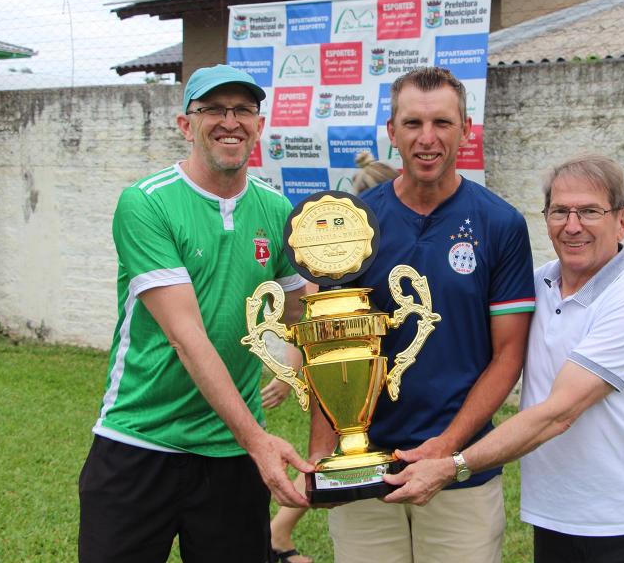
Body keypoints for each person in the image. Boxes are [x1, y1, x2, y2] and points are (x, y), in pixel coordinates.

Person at [385, 154, 624, 563]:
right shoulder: (539, 284)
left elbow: (557, 414)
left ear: (623, 222)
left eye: (590, 211)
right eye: (560, 211)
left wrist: (453, 464)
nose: (572, 225)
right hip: (556, 520)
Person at [78, 64, 313, 563]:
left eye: (243, 110)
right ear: (187, 125)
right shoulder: (146, 203)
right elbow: (187, 337)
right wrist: (258, 441)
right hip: (141, 440)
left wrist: (297, 353)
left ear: (259, 124)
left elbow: (300, 310)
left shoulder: (276, 210)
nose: (231, 121)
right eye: (214, 110)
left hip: (231, 454)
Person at [309, 66, 536, 563]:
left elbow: (508, 354)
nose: (427, 139)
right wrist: (320, 452)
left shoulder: (501, 224)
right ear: (392, 132)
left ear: (465, 130)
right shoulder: (353, 225)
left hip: (459, 471)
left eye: (442, 123)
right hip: (364, 468)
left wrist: (447, 447)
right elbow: (327, 346)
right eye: (412, 124)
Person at [262, 151, 398, 563]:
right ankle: (276, 535)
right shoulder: (335, 258)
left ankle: (277, 534)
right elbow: (312, 321)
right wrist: (292, 372)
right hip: (346, 377)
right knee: (333, 456)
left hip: (377, 368)